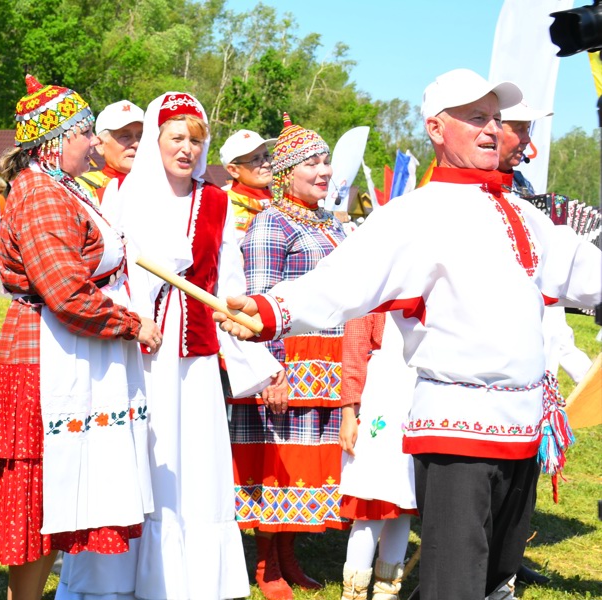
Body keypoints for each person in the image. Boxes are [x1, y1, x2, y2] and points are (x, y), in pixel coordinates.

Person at [214, 69, 602, 600]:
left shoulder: (521, 212)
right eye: (475, 118)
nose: (491, 129)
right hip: (457, 429)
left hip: (523, 428)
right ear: (437, 129)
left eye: (494, 118)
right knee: (453, 583)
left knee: (495, 577)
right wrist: (271, 308)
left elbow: (581, 268)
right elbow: (344, 279)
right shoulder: (415, 214)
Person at [0, 75, 158, 600]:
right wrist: (132, 324)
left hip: (66, 350)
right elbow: (64, 291)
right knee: (39, 498)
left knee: (56, 496)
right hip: (43, 355)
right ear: (56, 139)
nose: (91, 142)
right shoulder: (39, 195)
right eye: (85, 131)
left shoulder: (60, 187)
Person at [105, 91, 283, 599]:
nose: (186, 149)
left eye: (195, 140)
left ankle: (192, 580)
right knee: (148, 454)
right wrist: (137, 312)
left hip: (196, 353)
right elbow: (111, 270)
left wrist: (251, 346)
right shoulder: (123, 194)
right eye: (176, 138)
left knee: (194, 460)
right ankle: (131, 574)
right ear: (156, 140)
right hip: (141, 349)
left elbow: (229, 278)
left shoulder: (217, 201)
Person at [229, 115, 346, 599]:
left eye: (326, 162)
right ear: (285, 174)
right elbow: (257, 299)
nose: (323, 171)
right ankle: (266, 564)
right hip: (287, 360)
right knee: (274, 466)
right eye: (312, 163)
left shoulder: (328, 222)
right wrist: (272, 371)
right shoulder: (269, 225)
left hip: (324, 364)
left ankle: (290, 555)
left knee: (306, 465)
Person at [497, 98, 592, 588]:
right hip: (482, 364)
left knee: (524, 470)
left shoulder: (524, 189)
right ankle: (477, 564)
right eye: (519, 130)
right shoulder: (453, 193)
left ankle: (508, 558)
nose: (528, 145)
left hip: (534, 344)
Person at [338, 313, 418, 600]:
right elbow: (354, 350)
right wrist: (349, 411)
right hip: (379, 399)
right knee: (371, 504)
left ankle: (387, 590)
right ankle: (355, 593)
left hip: (416, 401)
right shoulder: (373, 294)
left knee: (403, 504)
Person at [76, 99, 143, 206]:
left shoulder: (163, 183)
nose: (136, 144)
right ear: (100, 145)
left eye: (141, 136)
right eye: (125, 136)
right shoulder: (83, 187)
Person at [220, 129, 274, 240]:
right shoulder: (223, 203)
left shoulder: (282, 199)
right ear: (233, 170)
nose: (267, 163)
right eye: (255, 160)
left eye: (266, 156)